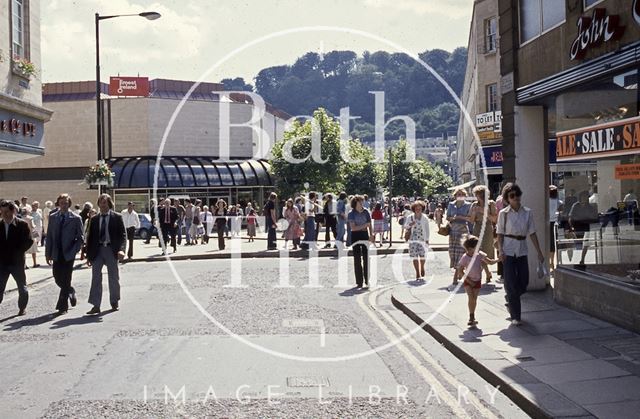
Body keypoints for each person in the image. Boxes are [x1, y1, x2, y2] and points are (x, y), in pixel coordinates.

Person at [496, 183, 545, 326]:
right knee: (511, 283)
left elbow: (532, 233)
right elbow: (499, 234)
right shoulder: (503, 214)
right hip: (508, 251)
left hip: (522, 250)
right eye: (512, 196)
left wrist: (539, 253)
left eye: (517, 195)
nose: (516, 198)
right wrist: (500, 250)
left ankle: (511, 298)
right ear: (507, 199)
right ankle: (515, 316)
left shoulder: (527, 212)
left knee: (524, 282)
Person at [85, 194, 126, 315]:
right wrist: (88, 255)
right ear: (98, 204)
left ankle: (114, 301)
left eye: (105, 203)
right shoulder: (94, 219)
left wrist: (122, 249)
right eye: (101, 203)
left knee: (113, 277)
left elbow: (123, 235)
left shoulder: (117, 217)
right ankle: (95, 305)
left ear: (109, 204)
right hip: (97, 250)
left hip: (111, 250)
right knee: (96, 277)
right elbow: (90, 238)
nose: (103, 205)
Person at [45, 193, 84, 315]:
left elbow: (81, 237)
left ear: (69, 204)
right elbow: (49, 236)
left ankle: (62, 306)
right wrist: (48, 253)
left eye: (66, 203)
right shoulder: (53, 217)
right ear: (58, 203)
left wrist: (75, 250)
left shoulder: (76, 218)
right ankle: (70, 290)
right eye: (61, 203)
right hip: (56, 252)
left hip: (69, 253)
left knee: (66, 278)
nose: (63, 205)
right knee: (57, 277)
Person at [453, 235, 498, 326]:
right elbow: (460, 270)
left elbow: (489, 262)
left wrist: (498, 260)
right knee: (471, 297)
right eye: (477, 246)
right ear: (470, 248)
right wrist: (469, 281)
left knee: (474, 298)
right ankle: (471, 316)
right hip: (468, 280)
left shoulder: (479, 255)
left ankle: (472, 315)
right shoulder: (465, 257)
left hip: (477, 280)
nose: (479, 248)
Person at [0, 200, 33, 316]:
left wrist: (18, 251)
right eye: (2, 211)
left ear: (13, 211)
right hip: (2, 263)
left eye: (7, 211)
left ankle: (22, 307)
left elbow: (29, 241)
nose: (4, 214)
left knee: (22, 286)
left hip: (17, 262)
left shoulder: (22, 225)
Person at [468, 185, 498, 283]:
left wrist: (483, 212)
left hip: (487, 229)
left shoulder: (491, 204)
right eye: (477, 195)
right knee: (478, 252)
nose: (479, 197)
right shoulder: (474, 205)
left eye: (481, 194)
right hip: (477, 228)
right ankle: (486, 273)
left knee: (486, 252)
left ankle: (487, 273)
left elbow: (494, 219)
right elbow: (471, 221)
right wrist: (474, 213)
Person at [348, 195, 373, 288]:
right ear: (355, 203)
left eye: (362, 201)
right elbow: (353, 228)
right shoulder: (351, 213)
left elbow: (369, 224)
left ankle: (367, 280)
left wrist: (371, 235)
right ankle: (359, 281)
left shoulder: (366, 211)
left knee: (366, 258)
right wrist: (364, 225)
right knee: (357, 258)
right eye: (360, 201)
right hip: (355, 236)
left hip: (364, 234)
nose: (362, 203)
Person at [568, 190, 599, 265]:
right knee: (577, 244)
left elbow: (593, 216)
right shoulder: (576, 206)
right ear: (580, 197)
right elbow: (570, 217)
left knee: (585, 244)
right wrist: (571, 227)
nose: (585, 198)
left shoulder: (589, 207)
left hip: (586, 227)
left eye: (586, 196)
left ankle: (582, 259)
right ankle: (572, 255)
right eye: (583, 196)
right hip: (577, 228)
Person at [446, 188, 472, 276]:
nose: (460, 196)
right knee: (453, 251)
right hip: (453, 231)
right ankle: (458, 270)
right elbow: (447, 217)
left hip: (463, 230)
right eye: (458, 194)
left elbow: (471, 218)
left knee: (462, 251)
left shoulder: (468, 205)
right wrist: (453, 218)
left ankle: (460, 271)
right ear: (455, 196)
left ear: (464, 196)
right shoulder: (451, 204)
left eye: (461, 194)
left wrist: (462, 217)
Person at [404, 200, 430, 281]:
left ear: (422, 209)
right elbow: (405, 227)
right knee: (415, 257)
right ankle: (417, 273)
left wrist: (427, 240)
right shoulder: (410, 217)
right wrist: (410, 225)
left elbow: (427, 229)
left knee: (422, 256)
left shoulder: (425, 218)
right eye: (416, 208)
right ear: (414, 209)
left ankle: (422, 267)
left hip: (422, 239)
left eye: (420, 208)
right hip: (413, 240)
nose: (418, 210)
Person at [548, 185, 563, 270]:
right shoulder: (559, 202)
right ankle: (552, 261)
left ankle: (550, 262)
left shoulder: (546, 201)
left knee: (550, 243)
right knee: (554, 244)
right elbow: (561, 211)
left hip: (548, 223)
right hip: (556, 223)